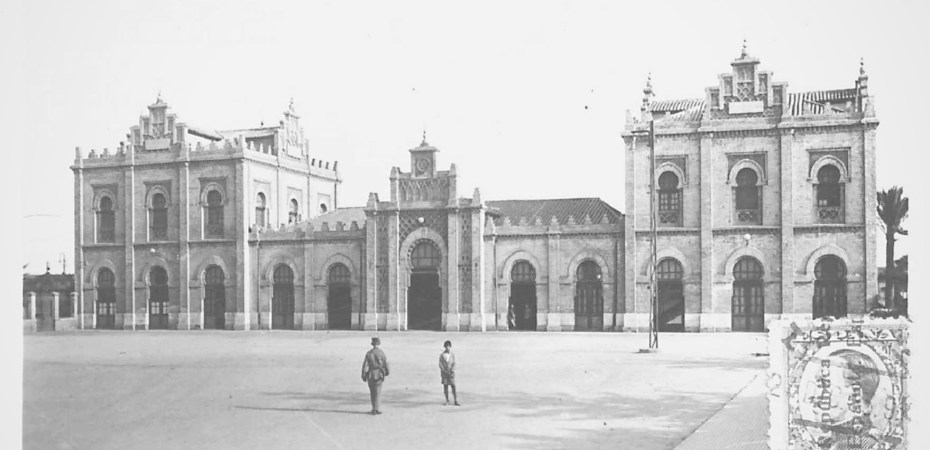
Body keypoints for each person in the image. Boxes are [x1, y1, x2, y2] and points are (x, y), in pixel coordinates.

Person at [361, 337, 389, 415]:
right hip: (379, 374)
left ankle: (373, 408)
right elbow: (385, 364)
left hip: (371, 374)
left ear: (372, 344)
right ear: (379, 343)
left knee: (372, 392)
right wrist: (386, 372)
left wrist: (363, 374)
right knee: (378, 392)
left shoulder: (369, 353)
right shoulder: (381, 353)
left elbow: (365, 365)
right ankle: (377, 408)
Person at [439, 340, 459, 406]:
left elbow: (454, 363)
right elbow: (440, 364)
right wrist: (444, 370)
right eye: (446, 346)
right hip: (444, 373)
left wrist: (452, 370)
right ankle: (447, 400)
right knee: (445, 387)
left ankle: (455, 400)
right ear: (445, 347)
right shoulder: (442, 355)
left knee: (453, 386)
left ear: (450, 347)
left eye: (449, 346)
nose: (447, 348)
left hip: (451, 373)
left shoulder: (452, 354)